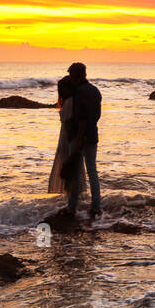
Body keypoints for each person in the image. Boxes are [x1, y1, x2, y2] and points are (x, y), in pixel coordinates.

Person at [63, 62, 102, 218]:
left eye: (71, 76)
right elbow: (96, 115)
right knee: (92, 171)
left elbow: (82, 117)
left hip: (80, 136)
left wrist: (79, 136)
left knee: (75, 172)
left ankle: (72, 207)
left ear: (74, 76)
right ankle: (96, 206)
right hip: (93, 134)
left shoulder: (79, 93)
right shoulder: (95, 91)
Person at [47, 73, 86, 202]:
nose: (62, 91)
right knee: (71, 167)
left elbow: (69, 122)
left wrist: (70, 139)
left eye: (63, 88)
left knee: (69, 166)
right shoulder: (72, 100)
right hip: (67, 136)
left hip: (67, 137)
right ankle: (73, 196)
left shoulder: (70, 102)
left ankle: (71, 197)